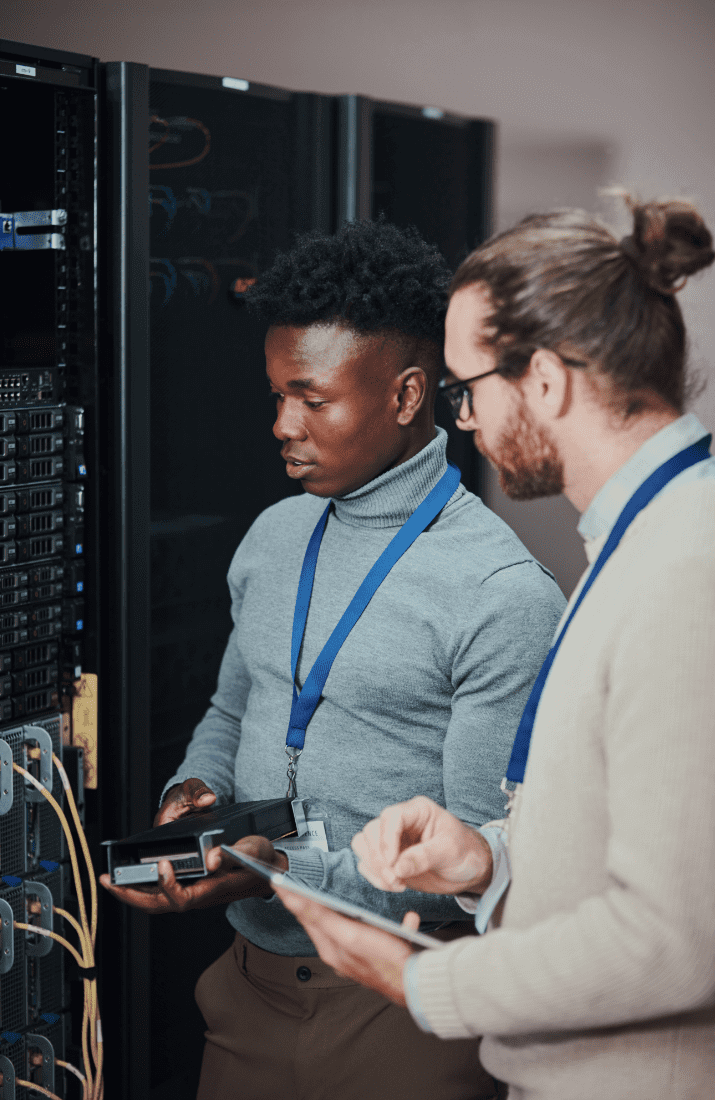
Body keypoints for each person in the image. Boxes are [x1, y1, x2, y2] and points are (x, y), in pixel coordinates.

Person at [100, 218, 565, 1100]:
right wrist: (193, 796)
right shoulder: (274, 535)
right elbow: (234, 708)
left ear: (405, 394)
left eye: (312, 399)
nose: (283, 425)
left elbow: (478, 862)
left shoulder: (499, 590)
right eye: (275, 396)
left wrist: (272, 866)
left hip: (399, 1001)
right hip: (247, 987)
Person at [275, 195, 715, 1100]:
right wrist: (485, 860)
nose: (463, 421)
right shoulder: (643, 539)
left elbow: (676, 941)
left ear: (545, 381)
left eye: (467, 389)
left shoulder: (685, 564)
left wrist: (417, 980)